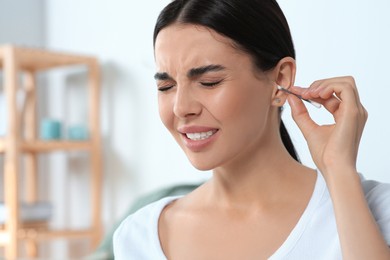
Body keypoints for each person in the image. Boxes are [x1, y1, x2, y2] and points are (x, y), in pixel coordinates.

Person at [113, 0, 390, 259]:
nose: (180, 107)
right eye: (166, 87)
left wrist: (339, 171)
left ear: (280, 79)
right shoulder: (139, 237)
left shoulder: (375, 209)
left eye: (209, 82)